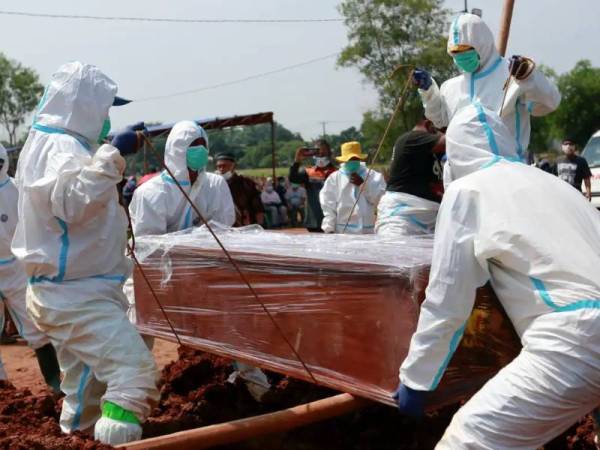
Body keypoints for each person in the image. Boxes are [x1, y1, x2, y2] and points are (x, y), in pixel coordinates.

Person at [395, 104, 600, 449]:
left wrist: (416, 377)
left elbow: (448, 299)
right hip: (583, 335)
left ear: (455, 154)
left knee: (466, 442)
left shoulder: (467, 192)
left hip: (574, 340)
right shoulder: (556, 185)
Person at [12, 61, 159, 445]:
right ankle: (118, 441)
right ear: (85, 104)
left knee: (84, 387)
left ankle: (74, 437)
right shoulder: (60, 147)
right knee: (133, 373)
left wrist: (104, 156)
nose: (108, 118)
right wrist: (112, 154)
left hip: (75, 288)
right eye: (106, 108)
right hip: (74, 294)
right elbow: (73, 202)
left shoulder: (56, 143)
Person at [413, 13, 560, 161]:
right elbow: (439, 120)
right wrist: (428, 91)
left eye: (465, 50)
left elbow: (549, 103)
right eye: (455, 52)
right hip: (462, 173)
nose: (460, 56)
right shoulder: (451, 87)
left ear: (481, 44)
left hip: (507, 169)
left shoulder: (512, 74)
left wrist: (529, 77)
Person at [0, 144, 61, 393]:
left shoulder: (16, 190)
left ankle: (56, 385)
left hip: (17, 267)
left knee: (37, 328)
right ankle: (4, 393)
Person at [129, 121, 235, 236]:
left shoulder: (215, 184)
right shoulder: (150, 193)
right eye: (194, 145)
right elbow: (150, 245)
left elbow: (223, 229)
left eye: (203, 145)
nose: (201, 150)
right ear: (176, 150)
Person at [376, 117, 445, 236]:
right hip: (402, 218)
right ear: (429, 125)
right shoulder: (412, 138)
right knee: (397, 253)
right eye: (440, 130)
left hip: (426, 219)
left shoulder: (431, 153)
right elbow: (450, 142)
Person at [320, 142, 386, 234]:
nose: (352, 161)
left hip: (366, 231)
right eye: (349, 159)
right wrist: (329, 227)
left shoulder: (373, 176)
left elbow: (380, 201)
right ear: (343, 160)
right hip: (343, 232)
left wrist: (363, 185)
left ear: (359, 158)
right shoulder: (334, 178)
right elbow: (328, 205)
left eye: (354, 158)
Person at [289, 140, 337, 232]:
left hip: (332, 220)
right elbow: (293, 178)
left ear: (329, 154)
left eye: (324, 154)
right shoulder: (308, 172)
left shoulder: (336, 172)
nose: (321, 156)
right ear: (313, 154)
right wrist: (297, 160)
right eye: (318, 153)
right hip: (313, 221)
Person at [214, 152, 264, 226]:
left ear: (233, 166)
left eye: (225, 166)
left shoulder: (246, 183)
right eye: (219, 166)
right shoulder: (213, 185)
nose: (221, 169)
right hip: (220, 226)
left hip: (244, 225)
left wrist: (260, 226)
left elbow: (258, 207)